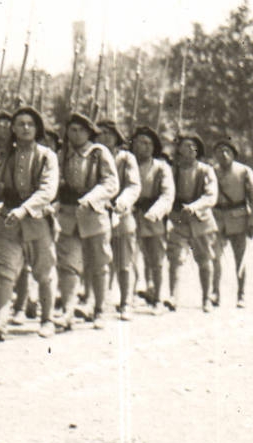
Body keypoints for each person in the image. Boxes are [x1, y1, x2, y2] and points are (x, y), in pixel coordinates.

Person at [0, 106, 60, 337]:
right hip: (8, 220)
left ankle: (47, 319)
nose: (25, 128)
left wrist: (25, 209)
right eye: (20, 124)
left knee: (44, 271)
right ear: (13, 129)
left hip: (37, 220)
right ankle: (0, 320)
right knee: (6, 271)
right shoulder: (6, 155)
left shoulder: (46, 155)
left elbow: (48, 190)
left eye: (30, 124)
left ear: (37, 128)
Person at [53, 112, 118, 330]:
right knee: (68, 265)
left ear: (89, 132)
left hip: (94, 215)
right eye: (72, 129)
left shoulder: (99, 153)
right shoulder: (63, 154)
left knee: (99, 264)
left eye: (81, 130)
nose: (76, 134)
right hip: (69, 216)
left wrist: (92, 198)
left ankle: (99, 309)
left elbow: (111, 183)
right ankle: (68, 311)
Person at [165, 134, 219, 312]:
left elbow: (210, 195)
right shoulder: (173, 170)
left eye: (193, 147)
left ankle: (206, 298)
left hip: (201, 220)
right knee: (175, 259)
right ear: (179, 149)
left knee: (204, 260)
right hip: (179, 220)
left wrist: (195, 207)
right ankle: (173, 296)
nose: (189, 149)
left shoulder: (205, 170)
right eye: (186, 146)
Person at [96, 121, 142, 320]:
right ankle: (97, 303)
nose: (104, 137)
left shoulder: (125, 158)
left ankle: (126, 302)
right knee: (98, 262)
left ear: (116, 137)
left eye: (108, 133)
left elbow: (133, 186)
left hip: (121, 215)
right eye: (100, 133)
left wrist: (122, 203)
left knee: (124, 262)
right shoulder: (93, 156)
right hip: (96, 214)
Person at [210, 138, 253, 308]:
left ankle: (241, 295)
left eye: (227, 151)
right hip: (217, 220)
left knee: (240, 259)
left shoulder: (244, 171)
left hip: (239, 220)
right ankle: (215, 293)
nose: (223, 155)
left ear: (233, 154)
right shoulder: (211, 172)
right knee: (215, 258)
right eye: (220, 151)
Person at [129, 127, 175, 309]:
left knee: (156, 258)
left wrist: (157, 211)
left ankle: (157, 296)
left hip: (152, 216)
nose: (145, 147)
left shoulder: (161, 167)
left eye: (149, 143)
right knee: (129, 258)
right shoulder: (126, 164)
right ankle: (129, 296)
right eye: (141, 142)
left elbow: (167, 193)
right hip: (130, 214)